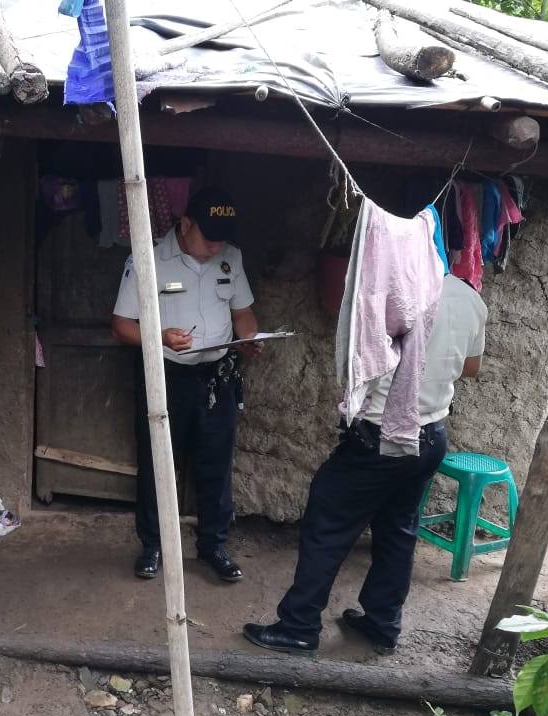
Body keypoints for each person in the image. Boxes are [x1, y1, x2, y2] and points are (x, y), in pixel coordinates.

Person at [243, 273, 488, 655]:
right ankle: (382, 624)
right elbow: (470, 367)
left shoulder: (393, 294)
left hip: (383, 435)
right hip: (430, 436)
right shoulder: (467, 296)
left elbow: (362, 364)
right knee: (397, 529)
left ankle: (299, 626)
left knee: (328, 523)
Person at [111, 187, 260, 583]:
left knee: (215, 465)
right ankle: (153, 544)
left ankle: (213, 546)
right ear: (185, 223)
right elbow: (122, 326)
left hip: (217, 378)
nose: (214, 247)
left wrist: (250, 338)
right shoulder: (149, 258)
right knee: (159, 463)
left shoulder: (231, 257)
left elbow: (243, 314)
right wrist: (159, 336)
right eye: (207, 237)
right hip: (167, 377)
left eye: (220, 239)